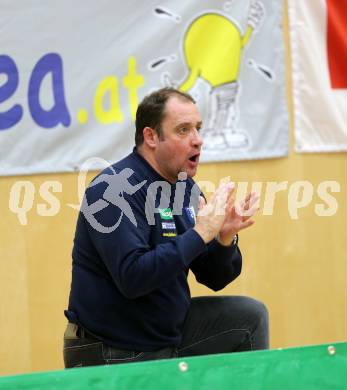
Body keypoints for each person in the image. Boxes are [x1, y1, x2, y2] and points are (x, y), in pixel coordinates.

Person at [63, 87, 269, 368]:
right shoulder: (112, 189)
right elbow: (133, 277)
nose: (197, 140)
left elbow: (214, 277)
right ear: (151, 137)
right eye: (183, 130)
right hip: (112, 347)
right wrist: (199, 234)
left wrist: (223, 239)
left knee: (249, 317)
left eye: (198, 128)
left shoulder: (185, 188)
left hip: (164, 333)